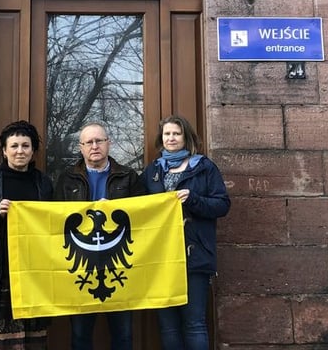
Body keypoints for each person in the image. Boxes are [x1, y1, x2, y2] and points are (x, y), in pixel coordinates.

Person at [140, 115, 231, 350]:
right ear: (161, 138)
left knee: (195, 324)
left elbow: (222, 205)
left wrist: (194, 199)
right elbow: (138, 207)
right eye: (167, 134)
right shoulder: (152, 171)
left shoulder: (204, 167)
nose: (171, 138)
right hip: (160, 258)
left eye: (176, 133)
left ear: (186, 137)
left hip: (195, 255)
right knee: (168, 327)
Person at [54, 122, 146, 350]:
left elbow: (144, 216)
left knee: (123, 336)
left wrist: (115, 209)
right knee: (80, 337)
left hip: (119, 270)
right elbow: (55, 221)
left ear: (108, 144)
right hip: (81, 271)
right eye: (89, 142)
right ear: (81, 147)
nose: (94, 146)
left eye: (99, 141)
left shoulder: (129, 176)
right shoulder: (66, 179)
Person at [0, 120, 54, 350]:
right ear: (4, 150)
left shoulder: (43, 182)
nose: (20, 151)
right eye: (14, 146)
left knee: (32, 336)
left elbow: (53, 221)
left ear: (33, 150)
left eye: (25, 146)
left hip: (32, 269)